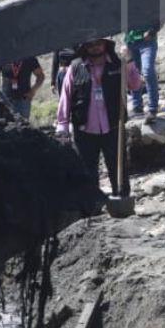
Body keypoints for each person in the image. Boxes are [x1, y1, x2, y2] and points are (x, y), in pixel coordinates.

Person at [55, 38, 144, 210]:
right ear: (85, 47)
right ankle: (92, 207)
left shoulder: (118, 64)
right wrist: (63, 126)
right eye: (90, 44)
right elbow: (65, 97)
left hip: (113, 126)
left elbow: (135, 85)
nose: (95, 48)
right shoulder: (75, 67)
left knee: (118, 167)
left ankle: (121, 201)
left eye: (98, 43)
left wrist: (130, 61)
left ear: (105, 45)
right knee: (88, 170)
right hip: (84, 129)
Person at [124, 23, 160, 118]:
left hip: (147, 41)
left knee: (147, 71)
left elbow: (161, 15)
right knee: (134, 73)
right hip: (131, 43)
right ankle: (137, 107)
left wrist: (152, 30)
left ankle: (153, 109)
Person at [0, 55, 45, 120]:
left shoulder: (29, 57)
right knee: (6, 126)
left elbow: (40, 76)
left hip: (23, 99)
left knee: (23, 126)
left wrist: (33, 91)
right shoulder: (4, 56)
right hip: (6, 100)